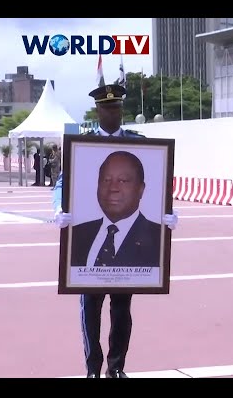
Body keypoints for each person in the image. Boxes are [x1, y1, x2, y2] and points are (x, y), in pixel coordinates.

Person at [53, 83, 178, 378]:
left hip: (128, 244)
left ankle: (116, 368)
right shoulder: (81, 145)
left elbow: (158, 180)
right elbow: (62, 182)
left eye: (118, 108)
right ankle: (93, 369)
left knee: (122, 311)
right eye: (108, 108)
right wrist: (59, 208)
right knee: (90, 313)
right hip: (90, 243)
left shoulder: (139, 143)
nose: (114, 113)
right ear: (98, 111)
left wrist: (167, 212)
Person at [70, 151, 162, 268]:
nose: (113, 188)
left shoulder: (158, 238)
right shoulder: (77, 234)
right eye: (106, 180)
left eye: (123, 181)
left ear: (141, 189)